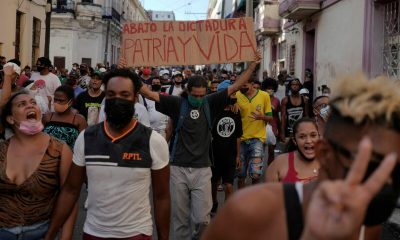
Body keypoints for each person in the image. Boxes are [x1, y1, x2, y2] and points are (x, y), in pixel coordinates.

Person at [202, 74, 400, 240]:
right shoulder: (250, 211)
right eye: (368, 161)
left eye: (395, 166)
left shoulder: (372, 226)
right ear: (323, 153)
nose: (383, 178)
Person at [139, 52, 261, 240]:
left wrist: (253, 65)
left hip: (203, 169)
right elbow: (146, 92)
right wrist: (126, 71)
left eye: (202, 95)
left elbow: (236, 85)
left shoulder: (210, 102)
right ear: (188, 92)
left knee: (203, 220)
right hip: (178, 168)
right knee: (180, 220)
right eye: (195, 95)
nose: (198, 98)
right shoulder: (176, 103)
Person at [44, 69, 170, 240]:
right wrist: (50, 234)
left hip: (136, 234)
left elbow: (161, 197)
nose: (117, 99)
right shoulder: (86, 138)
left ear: (135, 98)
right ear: (105, 98)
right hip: (93, 233)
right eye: (111, 94)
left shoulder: (153, 141)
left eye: (124, 94)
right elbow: (71, 191)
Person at [0, 92, 76, 239]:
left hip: (40, 233)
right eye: (21, 104)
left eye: (33, 102)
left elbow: (69, 199)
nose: (30, 105)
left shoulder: (60, 150)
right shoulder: (2, 150)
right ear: (10, 118)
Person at [211, 82, 242, 215]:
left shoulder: (236, 112)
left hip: (230, 154)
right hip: (215, 154)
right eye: (231, 94)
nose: (234, 96)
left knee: (229, 185)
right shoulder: (212, 111)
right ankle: (214, 203)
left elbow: (238, 136)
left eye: (234, 94)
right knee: (214, 183)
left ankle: (227, 212)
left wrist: (237, 155)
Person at [236, 76, 272, 188]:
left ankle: (253, 199)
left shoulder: (264, 95)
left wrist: (262, 117)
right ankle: (241, 201)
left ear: (252, 84)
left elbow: (270, 118)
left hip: (257, 140)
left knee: (256, 175)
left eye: (244, 85)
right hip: (240, 140)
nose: (241, 87)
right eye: (240, 85)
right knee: (240, 174)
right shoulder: (236, 95)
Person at [266, 118, 320, 183]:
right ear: (294, 141)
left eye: (313, 135)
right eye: (302, 137)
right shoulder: (278, 164)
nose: (308, 141)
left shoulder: (330, 161)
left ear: (319, 137)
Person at [43, 85, 87, 150]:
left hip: (70, 158)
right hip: (47, 158)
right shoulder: (47, 117)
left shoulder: (79, 120)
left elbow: (84, 143)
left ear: (70, 102)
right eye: (55, 100)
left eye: (61, 100)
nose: (57, 103)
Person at [280, 78, 309, 142]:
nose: (295, 86)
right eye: (293, 84)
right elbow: (283, 117)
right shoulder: (285, 100)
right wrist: (282, 133)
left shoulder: (304, 100)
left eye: (297, 84)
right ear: (290, 86)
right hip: (289, 130)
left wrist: (307, 130)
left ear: (299, 86)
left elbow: (306, 116)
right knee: (289, 149)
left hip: (301, 129)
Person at [262, 78, 281, 164]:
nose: (270, 90)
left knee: (271, 150)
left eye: (272, 88)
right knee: (260, 150)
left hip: (273, 126)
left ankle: (270, 168)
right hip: (261, 125)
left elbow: (277, 115)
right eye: (268, 88)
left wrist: (280, 130)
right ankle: (258, 169)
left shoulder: (276, 100)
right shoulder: (261, 98)